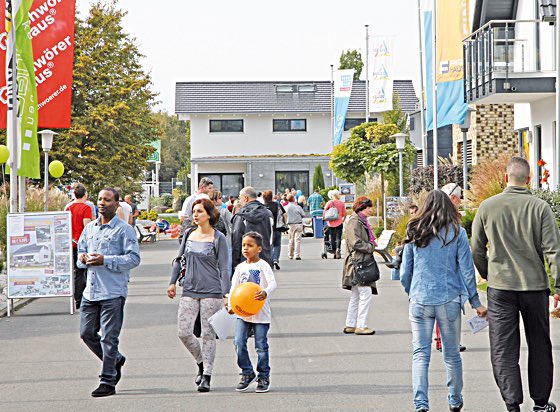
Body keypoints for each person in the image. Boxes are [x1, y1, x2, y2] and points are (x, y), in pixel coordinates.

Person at [471, 157, 560, 412]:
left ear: (505, 177)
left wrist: (489, 274)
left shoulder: (487, 207)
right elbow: (554, 250)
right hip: (534, 287)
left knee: (503, 347)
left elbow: (476, 249)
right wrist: (559, 286)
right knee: (539, 345)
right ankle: (541, 402)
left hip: (501, 289)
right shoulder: (540, 208)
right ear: (529, 179)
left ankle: (512, 404)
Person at [400, 189, 486, 412]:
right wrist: (475, 302)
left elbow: (404, 272)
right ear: (449, 206)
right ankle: (454, 400)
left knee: (420, 354)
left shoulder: (414, 229)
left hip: (420, 299)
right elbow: (467, 271)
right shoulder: (457, 232)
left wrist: (412, 292)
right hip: (448, 300)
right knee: (452, 354)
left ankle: (421, 404)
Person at [77, 188, 141, 398]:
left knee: (109, 338)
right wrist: (84, 259)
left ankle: (108, 380)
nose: (102, 203)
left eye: (107, 200)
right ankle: (115, 359)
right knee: (86, 334)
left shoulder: (124, 230)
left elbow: (133, 259)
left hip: (112, 292)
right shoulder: (90, 229)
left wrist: (107, 260)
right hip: (91, 291)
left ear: (117, 204)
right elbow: (80, 255)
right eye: (100, 199)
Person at [167, 198, 230, 393]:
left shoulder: (218, 238)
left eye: (200, 211)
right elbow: (179, 259)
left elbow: (225, 268)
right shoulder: (188, 234)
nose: (195, 215)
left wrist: (226, 293)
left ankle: (207, 376)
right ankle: (201, 363)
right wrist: (172, 282)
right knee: (184, 332)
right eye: (194, 211)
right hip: (189, 288)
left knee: (208, 335)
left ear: (209, 215)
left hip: (212, 291)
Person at [229, 232, 277, 393]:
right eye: (244, 245)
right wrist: (230, 304)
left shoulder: (263, 265)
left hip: (261, 314)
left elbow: (272, 284)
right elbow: (234, 288)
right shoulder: (240, 267)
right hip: (243, 313)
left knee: (261, 346)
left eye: (250, 245)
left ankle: (263, 376)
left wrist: (265, 292)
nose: (245, 248)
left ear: (259, 249)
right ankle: (247, 372)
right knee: (238, 342)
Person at [342, 197, 378, 335]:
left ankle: (350, 324)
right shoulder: (355, 222)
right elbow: (355, 242)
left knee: (356, 294)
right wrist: (370, 246)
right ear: (361, 208)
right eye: (368, 207)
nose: (371, 209)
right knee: (365, 292)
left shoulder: (359, 221)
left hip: (358, 262)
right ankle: (361, 325)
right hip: (358, 262)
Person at [64, 183, 93, 309]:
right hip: (81, 243)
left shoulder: (68, 208)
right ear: (85, 194)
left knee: (76, 271)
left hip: (70, 242)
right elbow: (86, 225)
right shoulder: (86, 208)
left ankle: (76, 297)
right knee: (83, 270)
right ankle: (81, 297)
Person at [231, 186, 274, 271]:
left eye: (240, 198)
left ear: (245, 198)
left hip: (245, 261)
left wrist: (235, 264)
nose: (240, 200)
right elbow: (271, 239)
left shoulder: (241, 215)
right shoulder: (268, 214)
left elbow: (236, 241)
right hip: (264, 260)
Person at [209, 190, 233, 276]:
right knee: (227, 261)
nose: (221, 200)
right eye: (220, 198)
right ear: (215, 199)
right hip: (226, 239)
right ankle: (227, 279)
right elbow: (232, 223)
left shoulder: (208, 211)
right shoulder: (224, 211)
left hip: (211, 239)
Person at [263, 190, 286, 270]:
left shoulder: (263, 206)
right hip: (277, 228)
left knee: (269, 245)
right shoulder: (277, 205)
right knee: (277, 245)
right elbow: (284, 214)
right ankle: (275, 259)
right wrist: (285, 223)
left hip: (267, 229)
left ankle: (270, 261)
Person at [323, 190, 346, 259]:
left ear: (332, 196)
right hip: (339, 222)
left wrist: (324, 218)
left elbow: (325, 211)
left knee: (332, 238)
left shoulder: (330, 203)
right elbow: (344, 213)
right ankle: (338, 249)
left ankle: (334, 251)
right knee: (338, 237)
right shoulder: (342, 203)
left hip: (331, 223)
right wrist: (343, 220)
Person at [285, 194, 305, 260]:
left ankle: (290, 255)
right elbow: (303, 215)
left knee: (291, 240)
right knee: (297, 240)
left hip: (290, 225)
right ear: (293, 199)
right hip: (298, 224)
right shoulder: (298, 207)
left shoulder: (285, 207)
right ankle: (297, 255)